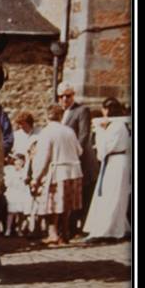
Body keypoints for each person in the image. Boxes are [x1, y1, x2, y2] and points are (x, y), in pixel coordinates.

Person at [30, 104, 83, 245]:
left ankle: (53, 234)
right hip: (73, 171)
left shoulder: (47, 132)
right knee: (66, 205)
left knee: (52, 205)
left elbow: (43, 158)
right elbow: (80, 151)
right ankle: (64, 234)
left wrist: (36, 178)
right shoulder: (70, 131)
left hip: (57, 172)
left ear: (47, 115)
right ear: (61, 116)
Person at [83, 97, 131, 241]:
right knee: (113, 195)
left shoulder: (116, 127)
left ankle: (107, 230)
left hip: (115, 162)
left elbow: (104, 149)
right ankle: (118, 226)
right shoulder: (121, 125)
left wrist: (99, 130)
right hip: (116, 162)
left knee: (111, 196)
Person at [57, 81, 99, 236]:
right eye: (61, 96)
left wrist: (74, 153)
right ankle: (67, 227)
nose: (64, 99)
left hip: (81, 160)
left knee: (81, 195)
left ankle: (77, 228)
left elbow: (83, 135)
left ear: (73, 95)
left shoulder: (82, 110)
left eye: (67, 96)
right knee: (67, 195)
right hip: (65, 159)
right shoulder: (59, 113)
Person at [3, 154, 33, 236]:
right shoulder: (9, 170)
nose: (18, 163)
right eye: (16, 160)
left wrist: (22, 176)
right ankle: (8, 229)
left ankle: (19, 229)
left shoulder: (24, 171)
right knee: (11, 212)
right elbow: (7, 183)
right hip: (12, 192)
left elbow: (25, 181)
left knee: (21, 213)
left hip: (22, 192)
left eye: (20, 161)